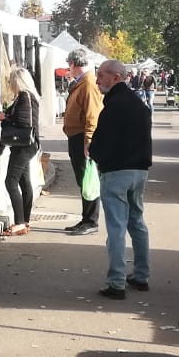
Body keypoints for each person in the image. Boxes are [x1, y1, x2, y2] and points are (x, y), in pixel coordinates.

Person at [88, 59, 151, 299]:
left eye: (101, 75)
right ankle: (141, 275)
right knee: (136, 222)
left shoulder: (114, 105)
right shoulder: (138, 103)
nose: (97, 80)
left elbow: (103, 141)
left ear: (116, 76)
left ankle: (116, 282)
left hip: (116, 171)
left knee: (116, 227)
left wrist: (94, 154)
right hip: (139, 170)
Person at [60, 50, 103, 236]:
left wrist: (88, 141)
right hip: (77, 137)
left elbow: (92, 115)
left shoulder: (88, 84)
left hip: (82, 138)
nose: (68, 69)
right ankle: (86, 218)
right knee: (83, 180)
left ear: (73, 64)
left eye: (68, 64)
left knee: (88, 180)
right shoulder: (82, 83)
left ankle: (91, 220)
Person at [0, 64, 40, 237]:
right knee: (24, 181)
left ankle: (20, 223)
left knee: (11, 181)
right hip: (27, 144)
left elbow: (23, 123)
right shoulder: (29, 97)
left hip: (23, 144)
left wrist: (5, 118)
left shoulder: (24, 96)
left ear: (18, 82)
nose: (10, 85)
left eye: (12, 81)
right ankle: (25, 220)